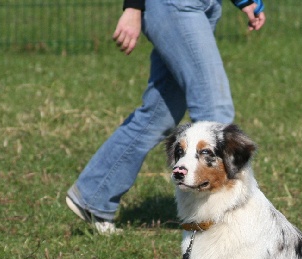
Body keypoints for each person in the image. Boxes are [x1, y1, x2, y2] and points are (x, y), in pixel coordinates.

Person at [66, 0, 267, 234]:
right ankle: (226, 221)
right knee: (215, 113)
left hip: (201, 6)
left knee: (159, 114)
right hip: (176, 5)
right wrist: (133, 7)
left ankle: (93, 196)